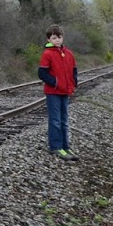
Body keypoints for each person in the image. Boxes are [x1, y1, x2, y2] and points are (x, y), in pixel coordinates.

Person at [38, 24, 79, 161]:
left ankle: (65, 146)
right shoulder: (47, 54)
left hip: (65, 92)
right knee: (55, 120)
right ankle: (56, 147)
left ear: (62, 38)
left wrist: (73, 84)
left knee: (64, 120)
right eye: (54, 38)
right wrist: (55, 82)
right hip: (53, 92)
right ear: (49, 39)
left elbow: (74, 71)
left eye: (59, 37)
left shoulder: (69, 54)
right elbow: (42, 73)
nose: (57, 40)